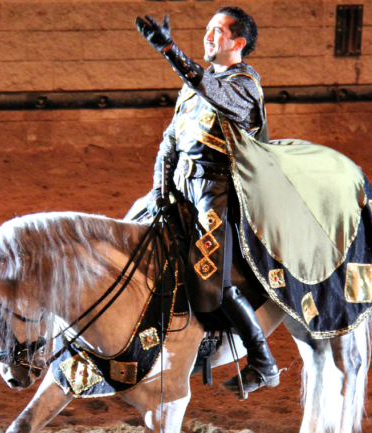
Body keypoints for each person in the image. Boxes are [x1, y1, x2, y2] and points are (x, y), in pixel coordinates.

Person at [136, 6, 279, 395]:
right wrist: (158, 189)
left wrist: (169, 50)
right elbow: (171, 139)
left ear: (238, 43)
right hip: (179, 186)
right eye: (207, 29)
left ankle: (263, 362)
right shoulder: (193, 85)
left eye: (218, 31)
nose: (209, 36)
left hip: (215, 195)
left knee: (210, 276)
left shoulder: (244, 84)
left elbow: (209, 90)